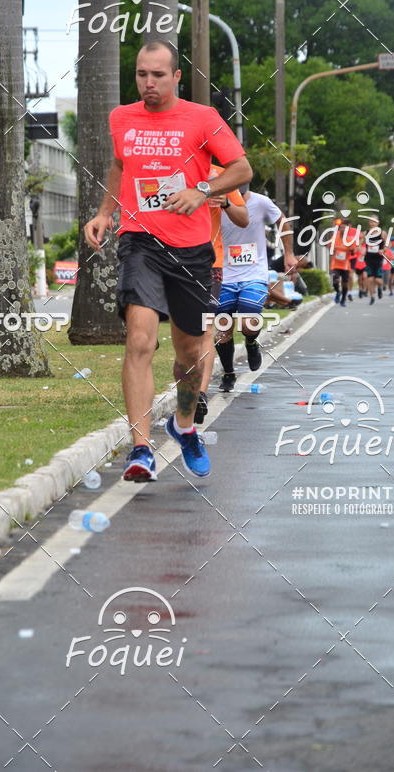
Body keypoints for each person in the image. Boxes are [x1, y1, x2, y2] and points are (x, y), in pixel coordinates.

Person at [84, 40, 252, 482]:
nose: (149, 83)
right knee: (139, 340)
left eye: (158, 75)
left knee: (191, 355)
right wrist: (105, 212)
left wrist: (203, 190)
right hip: (140, 243)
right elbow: (120, 167)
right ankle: (140, 449)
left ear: (177, 76)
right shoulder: (122, 117)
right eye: (142, 74)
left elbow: (241, 169)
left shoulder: (202, 118)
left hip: (193, 253)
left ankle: (182, 425)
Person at [215, 189, 297, 393]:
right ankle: (228, 373)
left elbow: (282, 222)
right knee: (222, 328)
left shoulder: (261, 202)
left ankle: (251, 341)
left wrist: (289, 253)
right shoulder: (213, 201)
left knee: (249, 322)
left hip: (254, 273)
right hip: (222, 274)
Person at [194, 165, 249, 425]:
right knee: (183, 334)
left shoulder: (221, 175)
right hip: (167, 261)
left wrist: (226, 201)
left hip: (208, 262)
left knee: (205, 330)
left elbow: (243, 218)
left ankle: (200, 395)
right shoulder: (170, 164)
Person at [364, 216, 388, 306]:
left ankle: (379, 288)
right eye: (371, 221)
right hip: (368, 259)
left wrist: (383, 250)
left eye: (374, 221)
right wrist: (360, 249)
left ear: (378, 223)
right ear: (369, 223)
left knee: (378, 280)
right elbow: (359, 243)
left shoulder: (382, 233)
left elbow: (388, 243)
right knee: (370, 279)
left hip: (378, 259)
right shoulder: (365, 233)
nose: (372, 223)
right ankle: (372, 297)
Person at [330, 222, 353, 307]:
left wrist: (351, 249)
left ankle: (343, 299)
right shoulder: (334, 237)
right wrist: (333, 248)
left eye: (345, 228)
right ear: (339, 229)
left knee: (345, 283)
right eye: (342, 228)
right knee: (335, 281)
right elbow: (330, 248)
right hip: (335, 264)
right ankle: (338, 292)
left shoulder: (350, 239)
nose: (343, 230)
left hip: (345, 265)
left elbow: (353, 251)